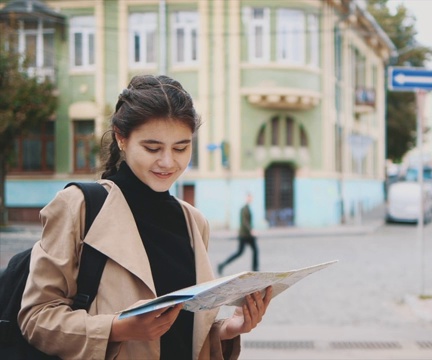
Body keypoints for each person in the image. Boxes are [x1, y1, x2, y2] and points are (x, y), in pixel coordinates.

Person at [18, 74, 272, 359]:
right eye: (152, 148)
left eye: (181, 148)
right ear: (121, 137)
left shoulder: (193, 222)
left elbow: (184, 330)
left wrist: (227, 329)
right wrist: (118, 328)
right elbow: (36, 318)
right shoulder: (78, 206)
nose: (168, 162)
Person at [218, 193, 259, 275]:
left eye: (251, 198)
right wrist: (251, 230)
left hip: (248, 235)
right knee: (239, 252)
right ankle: (222, 265)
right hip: (244, 235)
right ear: (246, 198)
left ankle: (255, 269)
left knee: (255, 250)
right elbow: (244, 222)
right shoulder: (243, 209)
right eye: (249, 197)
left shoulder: (247, 208)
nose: (250, 199)